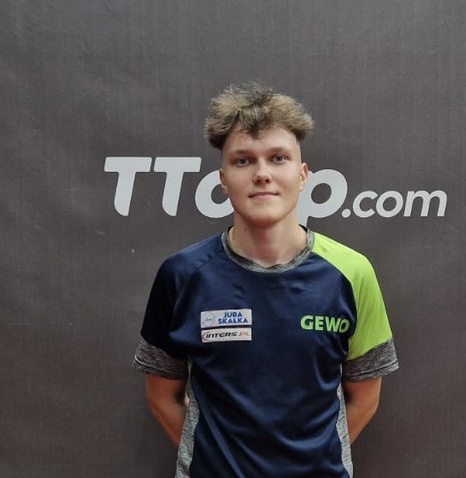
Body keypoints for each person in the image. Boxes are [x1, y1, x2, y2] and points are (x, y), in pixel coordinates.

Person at [133, 83, 399, 477]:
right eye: (243, 161)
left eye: (278, 158)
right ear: (223, 179)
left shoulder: (352, 271)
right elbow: (162, 397)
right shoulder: (182, 274)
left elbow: (364, 399)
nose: (262, 174)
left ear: (302, 175)